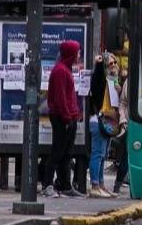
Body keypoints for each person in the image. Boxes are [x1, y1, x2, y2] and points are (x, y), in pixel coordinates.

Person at [42, 40, 83, 198]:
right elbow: (60, 98)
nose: (79, 55)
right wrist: (67, 118)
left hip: (69, 116)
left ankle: (65, 185)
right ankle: (47, 185)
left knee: (67, 153)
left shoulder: (65, 69)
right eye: (77, 52)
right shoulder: (60, 71)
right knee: (57, 152)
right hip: (62, 117)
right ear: (71, 54)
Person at [88, 53, 121, 198]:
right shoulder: (101, 80)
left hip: (109, 122)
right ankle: (95, 185)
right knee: (97, 154)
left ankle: (101, 185)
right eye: (110, 64)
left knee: (103, 156)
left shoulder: (113, 81)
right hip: (99, 120)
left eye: (115, 63)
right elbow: (97, 80)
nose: (113, 66)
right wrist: (99, 64)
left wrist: (117, 81)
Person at [113, 75, 130, 195]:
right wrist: (123, 120)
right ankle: (117, 184)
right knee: (126, 156)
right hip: (130, 124)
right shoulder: (129, 81)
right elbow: (122, 103)